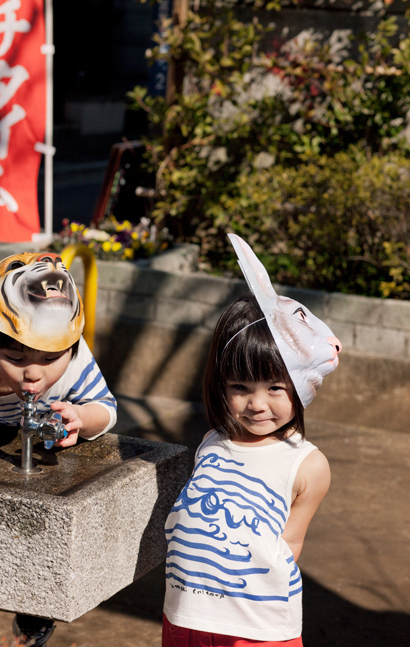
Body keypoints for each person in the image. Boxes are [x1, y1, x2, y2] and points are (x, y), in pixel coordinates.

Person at [162, 234, 342, 647]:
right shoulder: (212, 442)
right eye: (240, 386)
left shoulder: (308, 465)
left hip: (256, 627)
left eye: (276, 388)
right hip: (185, 615)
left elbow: (291, 542)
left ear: (301, 388)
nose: (257, 404)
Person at [0, 251, 117, 646]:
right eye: (15, 357)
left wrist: (80, 417)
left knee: (41, 536)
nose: (34, 373)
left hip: (35, 445)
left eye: (50, 358)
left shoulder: (74, 364)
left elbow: (106, 410)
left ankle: (34, 614)